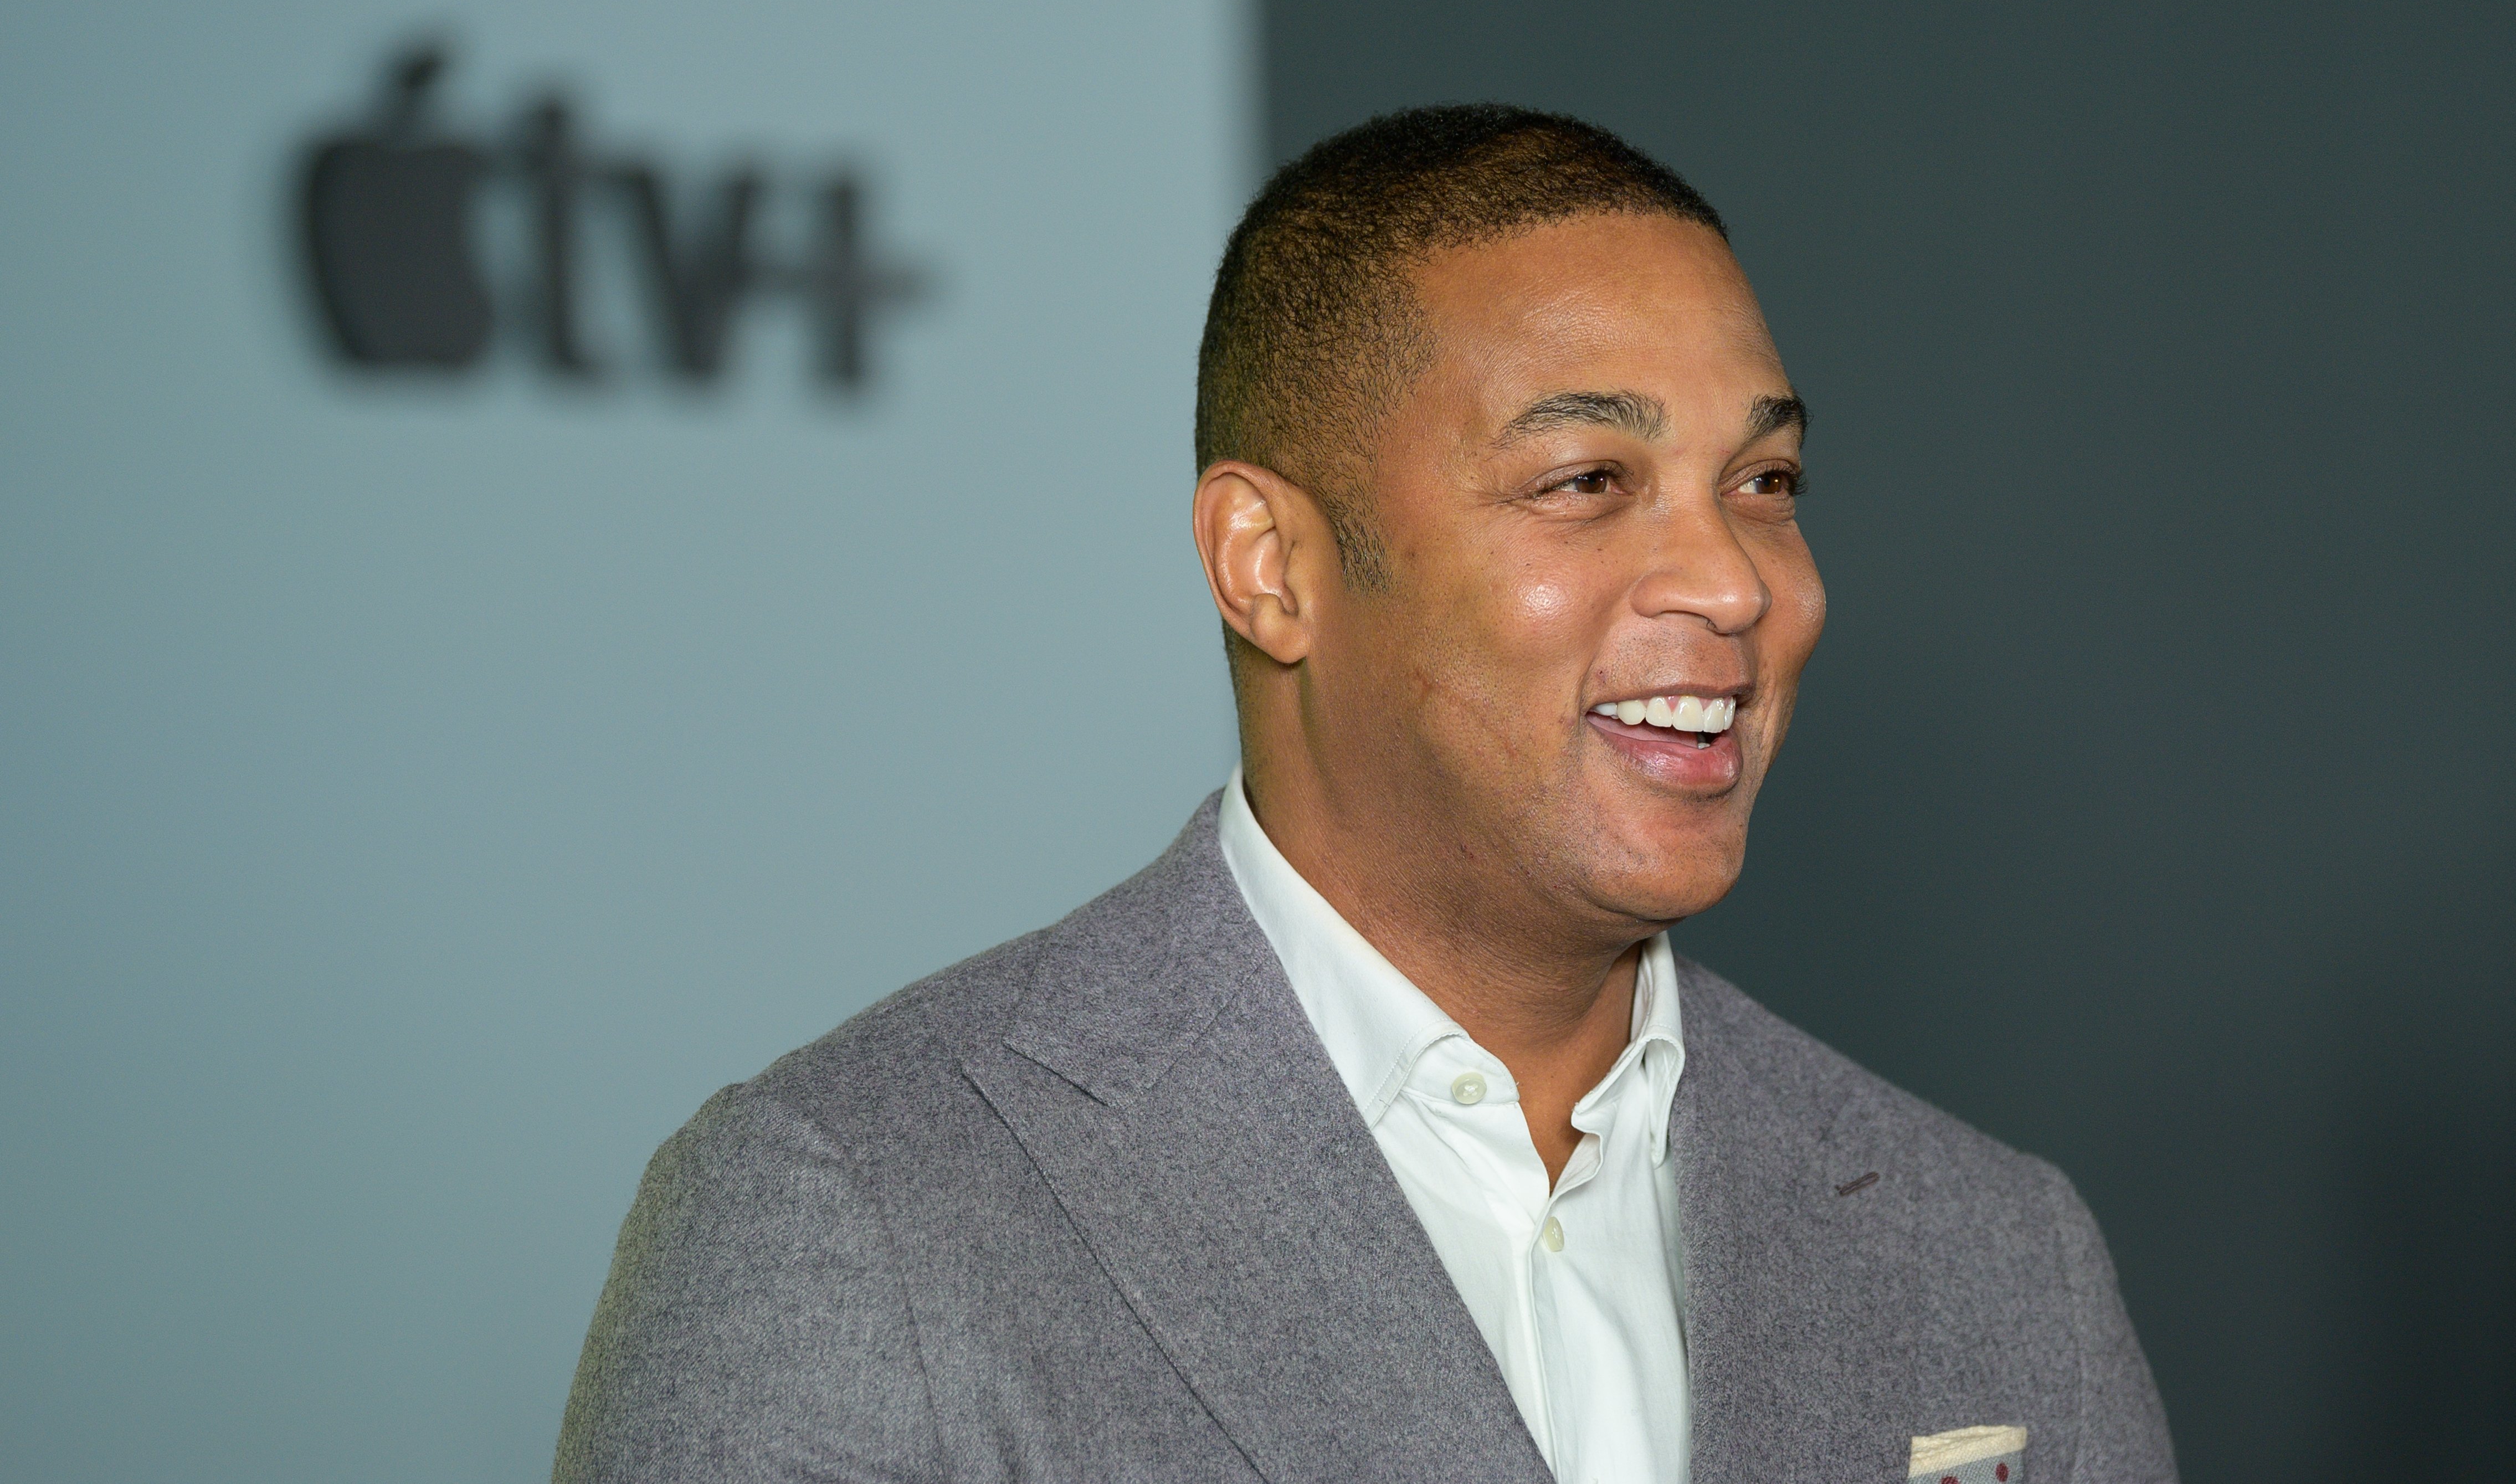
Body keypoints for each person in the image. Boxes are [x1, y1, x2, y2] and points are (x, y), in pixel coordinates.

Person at [554, 106, 2177, 1483]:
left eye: (1764, 484)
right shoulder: (861, 1211)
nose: (1736, 583)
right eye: (1587, 483)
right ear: (1271, 568)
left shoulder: (1994, 1254)